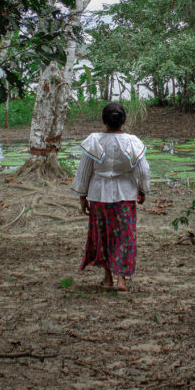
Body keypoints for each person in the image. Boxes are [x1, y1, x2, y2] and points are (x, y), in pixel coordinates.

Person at [71, 102, 150, 292]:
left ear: (104, 120)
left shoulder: (94, 141)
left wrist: (82, 196)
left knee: (103, 235)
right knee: (124, 236)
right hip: (125, 196)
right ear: (124, 120)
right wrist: (142, 189)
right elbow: (143, 170)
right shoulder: (132, 142)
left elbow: (84, 171)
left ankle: (107, 278)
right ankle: (121, 279)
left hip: (99, 196)